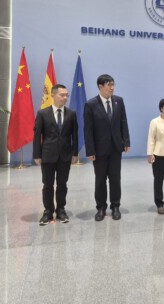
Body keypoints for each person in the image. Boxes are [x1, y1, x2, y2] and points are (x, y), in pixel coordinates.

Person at [84, 74, 130, 221]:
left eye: (113, 84)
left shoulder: (118, 101)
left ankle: (115, 206)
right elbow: (88, 130)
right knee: (100, 180)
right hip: (99, 150)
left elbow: (123, 122)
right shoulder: (91, 104)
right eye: (109, 85)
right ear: (100, 87)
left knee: (115, 179)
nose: (112, 88)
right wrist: (90, 150)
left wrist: (126, 141)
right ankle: (101, 208)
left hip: (116, 148)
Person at [33, 84, 78, 225]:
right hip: (48, 155)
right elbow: (37, 135)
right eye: (62, 95)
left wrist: (75, 153)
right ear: (53, 95)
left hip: (65, 155)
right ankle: (48, 211)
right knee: (48, 184)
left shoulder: (71, 113)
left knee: (62, 184)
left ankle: (60, 210)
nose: (65, 97)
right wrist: (37, 154)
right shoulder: (42, 113)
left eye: (66, 95)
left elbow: (75, 135)